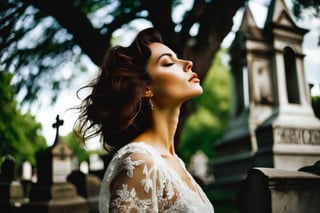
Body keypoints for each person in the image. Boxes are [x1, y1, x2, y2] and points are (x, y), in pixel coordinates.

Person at [75, 27, 215, 213]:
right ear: (145, 89)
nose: (188, 63)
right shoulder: (140, 163)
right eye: (167, 63)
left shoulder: (175, 162)